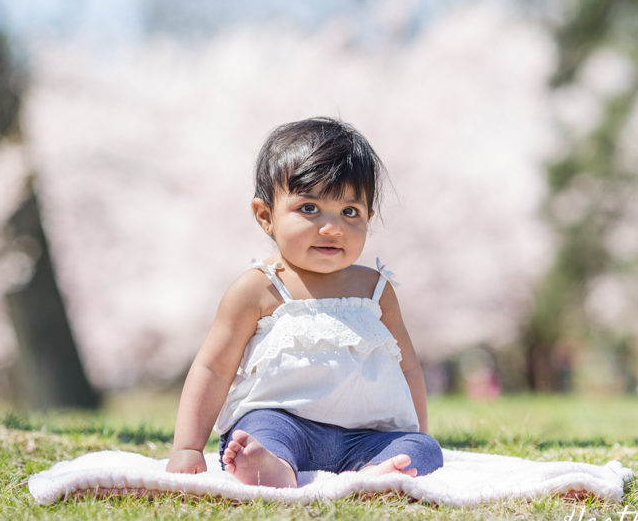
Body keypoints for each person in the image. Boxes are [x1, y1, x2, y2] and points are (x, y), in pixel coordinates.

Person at [166, 117, 443, 488]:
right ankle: (274, 466)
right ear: (266, 216)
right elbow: (213, 369)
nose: (332, 228)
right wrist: (187, 446)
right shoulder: (259, 289)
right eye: (309, 209)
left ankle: (375, 473)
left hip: (366, 435)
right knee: (255, 435)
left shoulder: (376, 290)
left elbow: (407, 366)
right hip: (282, 423)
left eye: (350, 212)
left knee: (425, 450)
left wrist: (416, 432)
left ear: (368, 219)